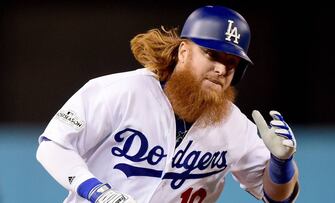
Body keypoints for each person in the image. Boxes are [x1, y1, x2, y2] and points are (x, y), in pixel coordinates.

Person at [36, 5, 299, 203]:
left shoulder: (234, 125)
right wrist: (95, 191)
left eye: (232, 62)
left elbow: (277, 197)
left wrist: (281, 162)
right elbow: (53, 146)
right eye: (212, 54)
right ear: (183, 52)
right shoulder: (120, 91)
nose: (221, 68)